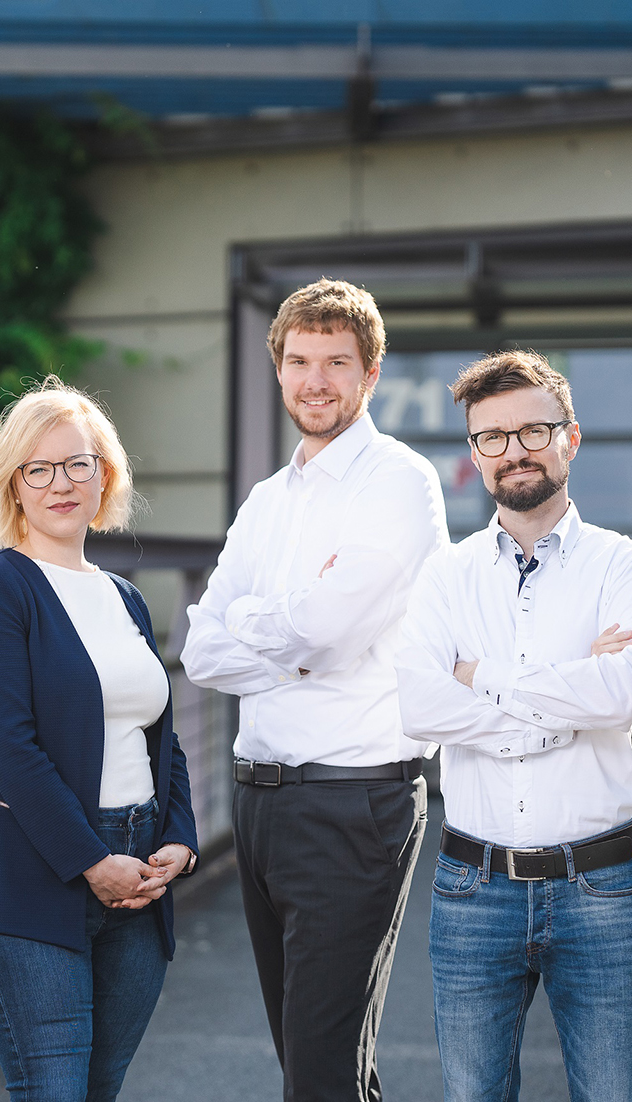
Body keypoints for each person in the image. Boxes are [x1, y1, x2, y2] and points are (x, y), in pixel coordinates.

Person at [180, 278, 449, 1101]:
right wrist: (293, 632)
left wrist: (276, 628)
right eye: (300, 360)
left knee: (322, 1067)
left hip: (352, 802)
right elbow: (200, 650)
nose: (316, 379)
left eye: (337, 361)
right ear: (279, 370)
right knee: (314, 1064)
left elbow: (329, 630)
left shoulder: (399, 482)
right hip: (261, 801)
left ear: (370, 374)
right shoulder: (267, 502)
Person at [394, 350, 632, 1102]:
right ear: (475, 454)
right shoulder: (444, 576)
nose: (513, 449)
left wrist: (481, 675)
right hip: (471, 888)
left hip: (602, 884)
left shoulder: (628, 566)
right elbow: (421, 709)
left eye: (532, 430)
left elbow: (616, 696)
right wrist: (560, 704)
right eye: (492, 436)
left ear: (569, 439)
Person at [0, 377, 199, 1102]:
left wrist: (178, 836)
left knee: (97, 1089)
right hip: (33, 875)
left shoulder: (123, 597)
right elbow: (10, 748)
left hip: (142, 868)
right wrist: (91, 860)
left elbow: (159, 737)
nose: (61, 483)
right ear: (13, 484)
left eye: (78, 464)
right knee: (51, 1090)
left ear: (104, 475)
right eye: (39, 468)